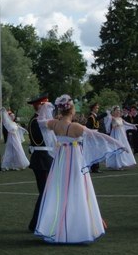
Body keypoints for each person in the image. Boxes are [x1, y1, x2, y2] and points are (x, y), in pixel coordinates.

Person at [33, 94, 127, 244]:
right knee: (77, 190)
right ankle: (78, 229)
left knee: (60, 192)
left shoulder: (54, 124)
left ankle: (58, 228)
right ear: (71, 111)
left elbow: (40, 121)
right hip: (74, 161)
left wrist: (45, 107)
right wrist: (120, 145)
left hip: (60, 161)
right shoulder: (75, 127)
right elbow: (98, 136)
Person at [26, 93, 53, 232]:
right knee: (44, 192)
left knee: (46, 192)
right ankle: (35, 223)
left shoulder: (42, 121)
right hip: (41, 159)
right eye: (46, 106)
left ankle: (39, 222)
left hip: (46, 158)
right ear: (39, 106)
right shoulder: (36, 121)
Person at [85, 103, 102, 172]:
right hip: (92, 134)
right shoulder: (91, 117)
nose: (97, 109)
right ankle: (94, 167)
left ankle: (95, 167)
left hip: (95, 133)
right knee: (94, 151)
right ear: (93, 109)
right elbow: (89, 126)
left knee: (96, 151)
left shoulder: (94, 116)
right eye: (96, 108)